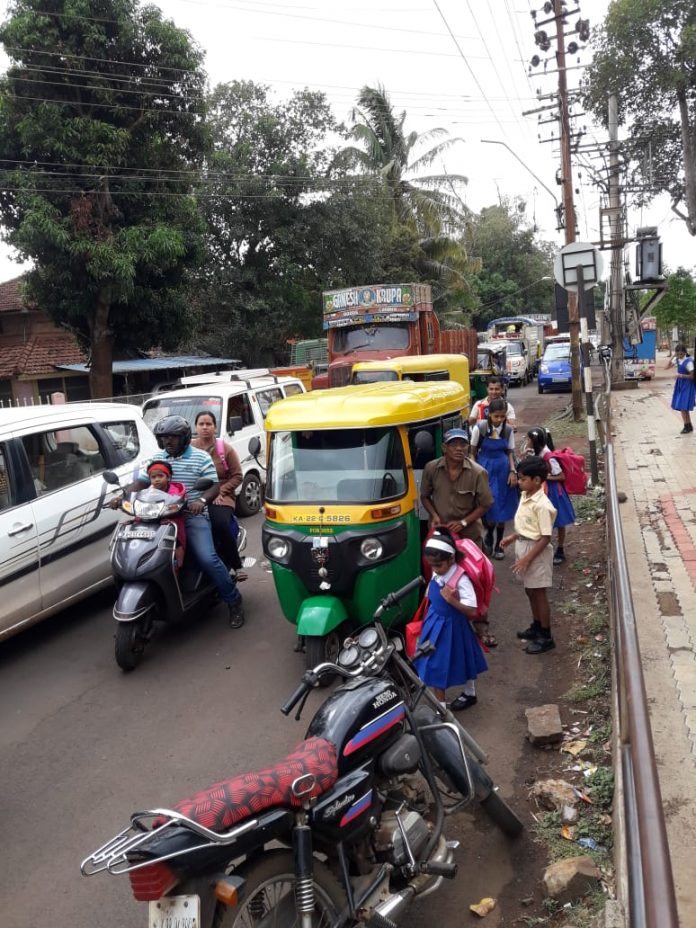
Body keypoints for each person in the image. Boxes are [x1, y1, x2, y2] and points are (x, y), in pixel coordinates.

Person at [111, 415, 244, 628]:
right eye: (164, 438)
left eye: (172, 437)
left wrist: (201, 501)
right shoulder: (158, 458)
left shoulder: (201, 457)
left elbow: (214, 486)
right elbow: (141, 482)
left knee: (208, 559)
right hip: (158, 517)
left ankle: (233, 599)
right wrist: (123, 496)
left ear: (183, 438)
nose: (168, 442)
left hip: (191, 516)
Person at [413, 528, 488, 711]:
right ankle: (463, 696)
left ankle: (442, 710)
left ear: (451, 559)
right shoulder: (439, 572)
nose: (434, 569)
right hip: (435, 622)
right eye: (431, 565)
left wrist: (451, 600)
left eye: (438, 565)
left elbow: (472, 611)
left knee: (452, 661)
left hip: (454, 627)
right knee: (441, 662)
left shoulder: (461, 579)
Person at [500, 456, 557, 655]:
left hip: (536, 552)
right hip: (524, 546)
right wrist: (513, 536)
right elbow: (527, 524)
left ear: (537, 481)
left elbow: (545, 537)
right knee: (530, 590)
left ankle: (546, 635)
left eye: (523, 479)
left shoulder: (542, 504)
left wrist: (527, 559)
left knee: (539, 593)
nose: (520, 482)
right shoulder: (526, 495)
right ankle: (536, 625)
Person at [191, 410, 245, 576]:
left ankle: (236, 565)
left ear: (215, 427)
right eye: (201, 424)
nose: (205, 427)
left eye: (209, 424)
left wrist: (220, 491)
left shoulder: (225, 450)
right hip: (195, 496)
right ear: (196, 427)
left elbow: (237, 476)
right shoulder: (189, 449)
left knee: (219, 523)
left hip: (222, 496)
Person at [420, 427, 493, 546]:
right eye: (453, 445)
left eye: (463, 445)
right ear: (444, 448)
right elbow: (424, 496)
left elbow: (486, 504)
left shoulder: (478, 472)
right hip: (440, 531)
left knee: (468, 564)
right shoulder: (431, 468)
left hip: (469, 535)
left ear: (468, 448)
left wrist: (463, 522)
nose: (459, 449)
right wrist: (434, 515)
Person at [471, 398, 518, 560]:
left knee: (502, 505)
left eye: (502, 417)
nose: (499, 420)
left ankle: (499, 542)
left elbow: (510, 452)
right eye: (496, 416)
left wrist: (512, 471)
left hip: (502, 469)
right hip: (485, 469)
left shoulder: (508, 431)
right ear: (489, 414)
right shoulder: (480, 428)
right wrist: (475, 471)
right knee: (489, 503)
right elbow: (473, 450)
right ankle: (489, 533)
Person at [525, 426, 575, 566]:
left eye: (528, 439)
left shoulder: (548, 456)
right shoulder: (537, 452)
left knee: (559, 520)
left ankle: (560, 549)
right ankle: (543, 547)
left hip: (553, 491)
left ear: (534, 440)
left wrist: (544, 477)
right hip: (543, 489)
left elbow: (561, 476)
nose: (527, 441)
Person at [146, 460, 187, 569]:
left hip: (172, 521)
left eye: (160, 476)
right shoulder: (148, 492)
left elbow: (178, 502)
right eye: (153, 477)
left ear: (168, 477)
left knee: (176, 541)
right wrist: (135, 520)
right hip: (153, 521)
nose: (157, 479)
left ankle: (178, 564)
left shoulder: (175, 491)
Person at [666, 344, 695, 434]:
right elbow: (666, 367)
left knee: (683, 406)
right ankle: (688, 425)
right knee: (683, 406)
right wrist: (673, 357)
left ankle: (686, 426)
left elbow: (692, 376)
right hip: (680, 384)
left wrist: (680, 375)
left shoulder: (689, 362)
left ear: (685, 352)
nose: (679, 356)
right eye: (678, 354)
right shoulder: (677, 360)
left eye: (681, 354)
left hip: (688, 385)